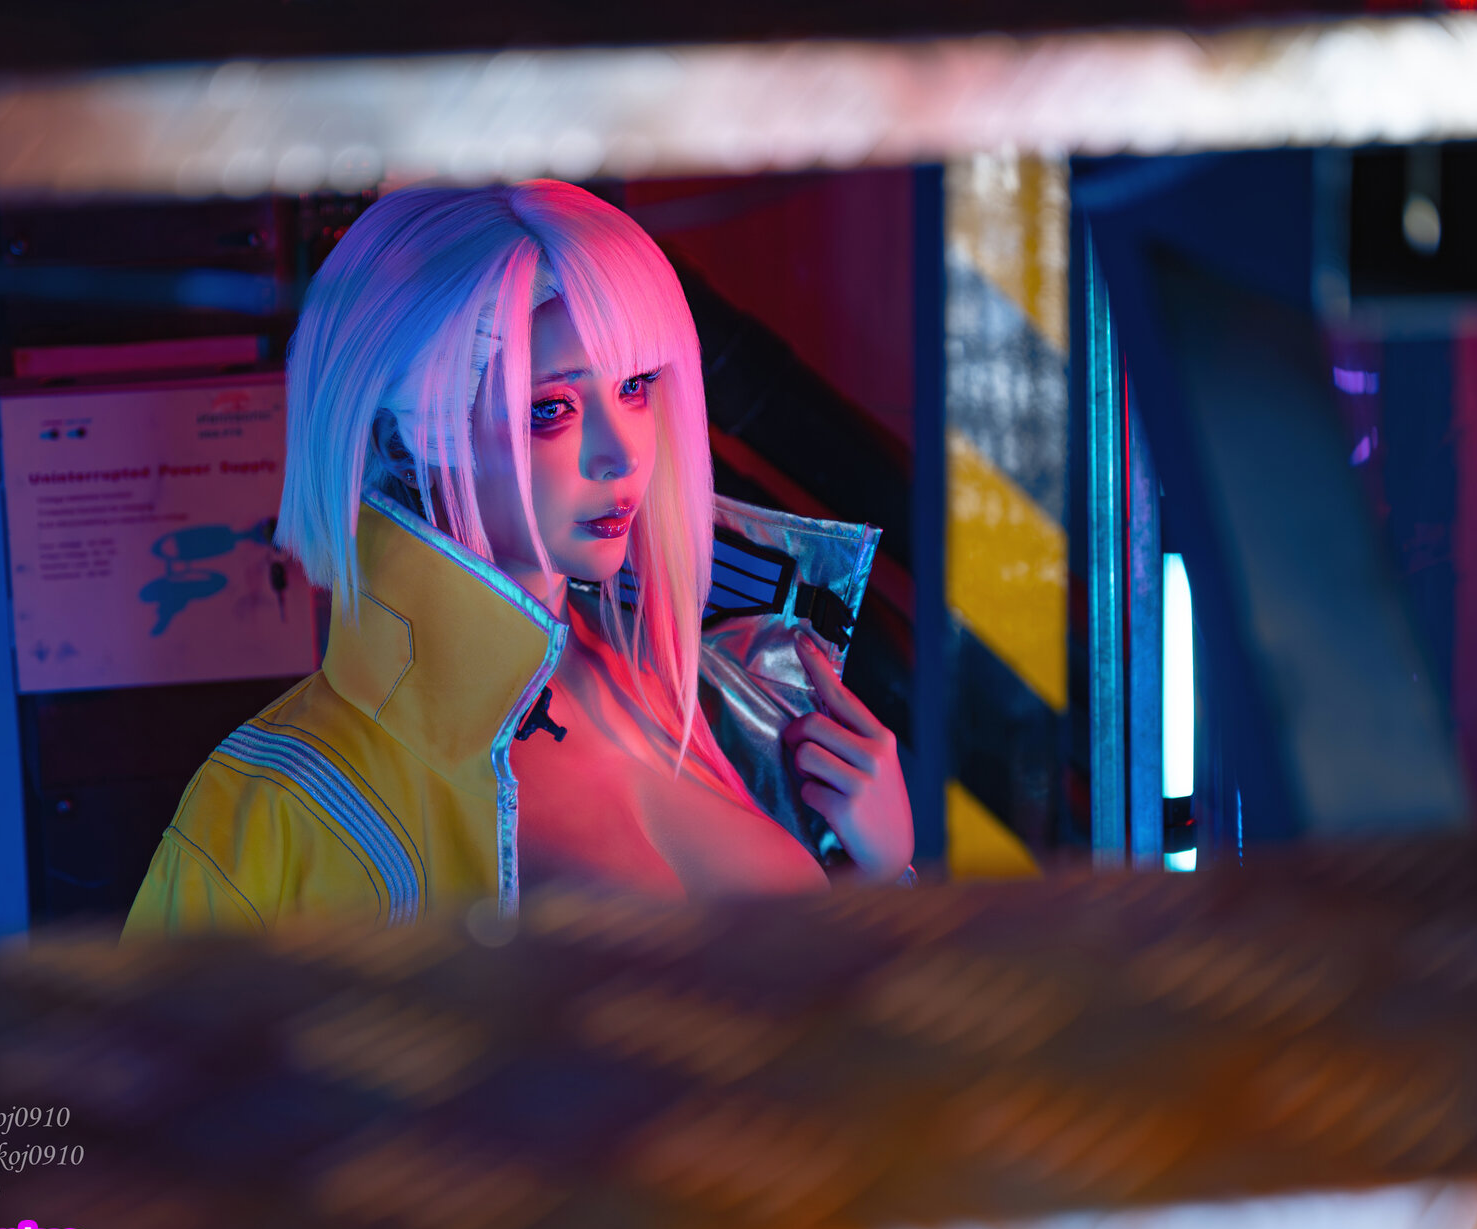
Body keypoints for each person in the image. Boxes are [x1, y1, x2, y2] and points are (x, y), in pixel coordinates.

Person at [123, 181, 912, 934]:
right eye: (550, 409)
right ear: (406, 441)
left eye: (636, 387)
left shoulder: (714, 677)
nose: (621, 455)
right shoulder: (273, 808)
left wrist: (880, 878)